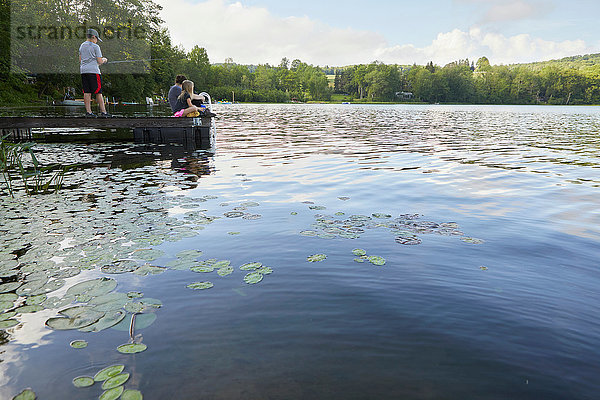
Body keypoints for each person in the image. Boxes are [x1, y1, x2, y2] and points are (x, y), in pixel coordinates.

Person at [79, 28, 111, 117]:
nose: (97, 41)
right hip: (94, 72)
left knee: (87, 92)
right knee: (98, 92)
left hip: (83, 71)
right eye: (96, 39)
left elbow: (81, 60)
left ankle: (88, 112)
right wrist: (104, 60)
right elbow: (100, 61)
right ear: (93, 37)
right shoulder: (95, 46)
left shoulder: (82, 46)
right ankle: (103, 112)